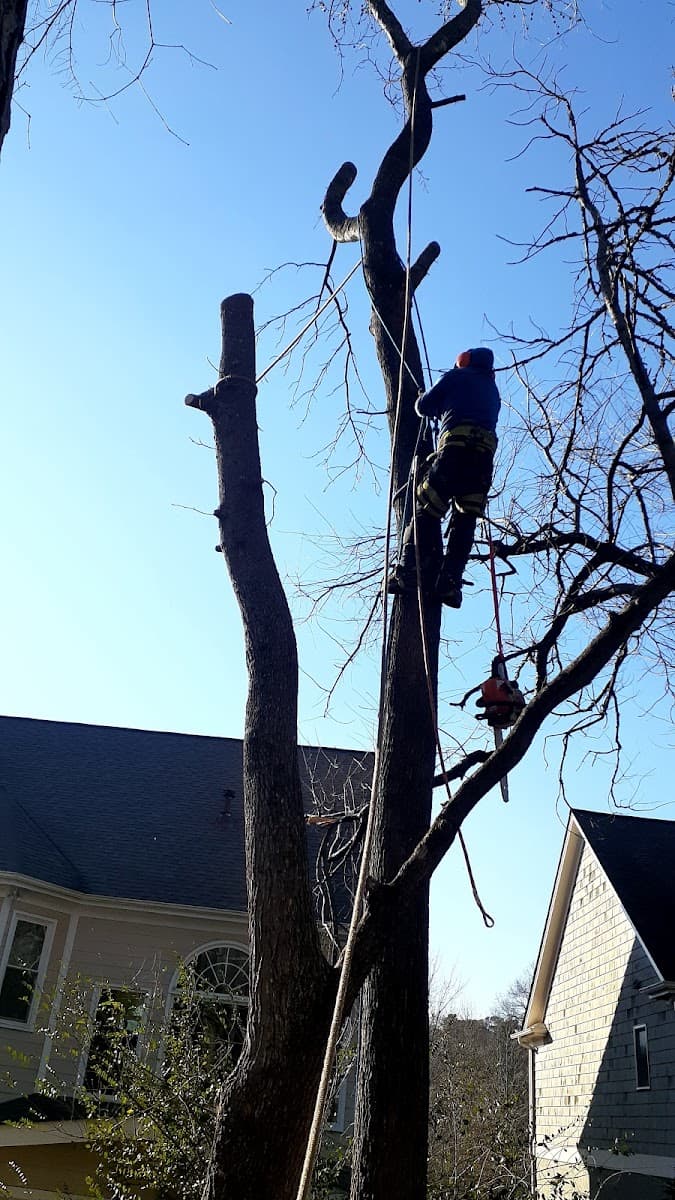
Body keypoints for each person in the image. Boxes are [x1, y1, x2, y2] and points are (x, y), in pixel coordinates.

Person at [387, 347, 501, 608]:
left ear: (465, 360)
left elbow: (422, 407)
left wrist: (424, 398)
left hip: (454, 454)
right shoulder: (493, 393)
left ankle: (407, 572)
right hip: (481, 465)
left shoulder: (456, 377)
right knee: (465, 519)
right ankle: (450, 583)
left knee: (426, 506)